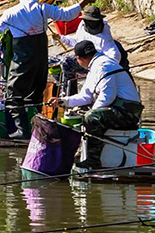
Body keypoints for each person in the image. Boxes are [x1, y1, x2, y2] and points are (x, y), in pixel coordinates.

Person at [0, 0, 99, 139]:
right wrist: (84, 2)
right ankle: (36, 128)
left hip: (22, 61)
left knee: (13, 94)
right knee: (35, 93)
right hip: (40, 59)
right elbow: (67, 14)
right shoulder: (43, 8)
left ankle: (22, 131)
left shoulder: (10, 13)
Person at [47, 41, 142, 171]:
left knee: (92, 117)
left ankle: (93, 160)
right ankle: (83, 153)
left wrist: (91, 113)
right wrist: (63, 101)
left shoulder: (104, 65)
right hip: (118, 108)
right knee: (85, 115)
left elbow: (107, 96)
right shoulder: (95, 66)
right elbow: (85, 96)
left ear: (79, 59)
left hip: (128, 112)